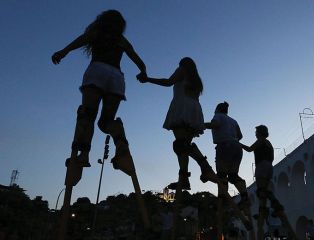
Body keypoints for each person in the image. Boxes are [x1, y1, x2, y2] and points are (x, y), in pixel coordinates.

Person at [51, 10, 146, 170]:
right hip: (116, 77)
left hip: (97, 71)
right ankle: (120, 143)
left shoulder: (96, 33)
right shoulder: (121, 40)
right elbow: (138, 60)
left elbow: (79, 41)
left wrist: (63, 52)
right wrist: (143, 72)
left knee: (88, 114)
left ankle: (84, 154)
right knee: (106, 122)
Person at [137, 57, 218, 188]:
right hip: (195, 110)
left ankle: (192, 174)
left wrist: (148, 79)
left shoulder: (182, 70)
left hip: (182, 107)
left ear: (183, 64)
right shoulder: (196, 80)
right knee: (184, 145)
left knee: (180, 145)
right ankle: (198, 172)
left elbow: (168, 82)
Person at [241, 125, 298, 240]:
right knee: (264, 192)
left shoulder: (260, 141)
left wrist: (237, 143)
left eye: (256, 132)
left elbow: (249, 149)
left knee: (261, 192)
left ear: (260, 133)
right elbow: (271, 158)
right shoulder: (269, 144)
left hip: (261, 166)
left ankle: (262, 218)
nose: (255, 134)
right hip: (269, 167)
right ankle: (265, 211)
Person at [205, 102, 254, 231]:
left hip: (224, 146)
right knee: (233, 175)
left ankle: (223, 199)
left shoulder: (218, 116)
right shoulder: (233, 120)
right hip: (237, 148)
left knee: (221, 175)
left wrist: (202, 125)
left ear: (217, 110)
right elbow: (241, 136)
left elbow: (215, 124)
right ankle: (244, 196)